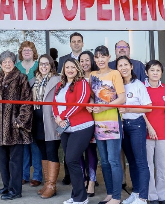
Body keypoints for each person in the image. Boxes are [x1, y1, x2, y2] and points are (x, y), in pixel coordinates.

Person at [0, 50, 33, 201]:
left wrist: (20, 121)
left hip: (14, 129)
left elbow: (27, 102)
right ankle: (6, 185)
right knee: (2, 160)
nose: (7, 64)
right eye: (4, 62)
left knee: (15, 162)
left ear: (14, 62)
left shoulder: (21, 78)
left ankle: (15, 190)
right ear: (0, 64)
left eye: (10, 61)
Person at [88, 45, 125, 204]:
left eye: (103, 56)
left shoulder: (115, 73)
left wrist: (104, 106)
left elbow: (122, 98)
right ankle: (110, 194)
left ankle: (117, 197)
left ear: (109, 57)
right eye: (97, 57)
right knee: (103, 161)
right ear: (94, 59)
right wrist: (90, 104)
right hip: (98, 122)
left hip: (113, 121)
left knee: (114, 160)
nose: (100, 59)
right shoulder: (92, 75)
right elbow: (91, 97)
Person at [53, 58, 93, 204]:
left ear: (77, 69)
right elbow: (54, 103)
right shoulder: (60, 84)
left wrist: (62, 116)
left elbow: (80, 103)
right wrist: (57, 118)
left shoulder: (82, 83)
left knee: (71, 159)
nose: (70, 70)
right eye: (67, 67)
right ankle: (77, 194)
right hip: (65, 127)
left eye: (73, 67)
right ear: (63, 69)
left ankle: (81, 198)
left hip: (82, 126)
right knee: (71, 161)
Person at [117, 56, 152, 204]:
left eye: (126, 65)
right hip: (123, 127)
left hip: (137, 125)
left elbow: (148, 107)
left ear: (131, 67)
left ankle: (143, 197)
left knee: (141, 162)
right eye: (120, 65)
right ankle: (136, 192)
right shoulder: (117, 85)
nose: (123, 68)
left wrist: (129, 108)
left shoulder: (139, 85)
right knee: (131, 161)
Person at [29, 54, 61, 198]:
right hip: (37, 123)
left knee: (52, 151)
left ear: (51, 65)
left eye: (47, 64)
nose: (44, 66)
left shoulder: (58, 80)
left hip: (52, 122)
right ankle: (46, 183)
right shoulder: (33, 81)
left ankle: (52, 186)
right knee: (43, 152)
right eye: (41, 64)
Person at [58, 32, 84, 186]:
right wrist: (58, 116)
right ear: (70, 44)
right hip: (64, 116)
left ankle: (87, 177)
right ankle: (68, 176)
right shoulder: (62, 60)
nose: (76, 43)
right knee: (67, 150)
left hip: (80, 115)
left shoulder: (87, 58)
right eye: (73, 41)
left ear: (82, 43)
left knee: (82, 151)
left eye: (78, 41)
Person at [144, 60, 165, 204]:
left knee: (162, 165)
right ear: (146, 72)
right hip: (146, 132)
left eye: (158, 70)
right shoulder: (141, 87)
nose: (155, 73)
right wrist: (149, 127)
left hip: (162, 133)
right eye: (152, 70)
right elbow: (139, 111)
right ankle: (152, 195)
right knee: (148, 165)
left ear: (161, 73)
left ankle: (163, 195)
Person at [17, 41, 43, 188]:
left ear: (34, 52)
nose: (27, 52)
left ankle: (37, 176)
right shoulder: (16, 67)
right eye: (24, 50)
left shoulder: (39, 65)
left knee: (34, 144)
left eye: (30, 50)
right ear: (21, 52)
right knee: (23, 144)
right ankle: (23, 175)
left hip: (35, 110)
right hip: (20, 110)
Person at [77, 51, 99, 197]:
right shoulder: (76, 78)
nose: (85, 63)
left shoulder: (96, 76)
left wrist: (91, 102)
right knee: (78, 150)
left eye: (87, 60)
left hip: (95, 117)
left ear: (91, 61)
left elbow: (99, 95)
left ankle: (92, 180)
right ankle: (82, 179)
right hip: (78, 118)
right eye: (81, 61)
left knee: (91, 150)